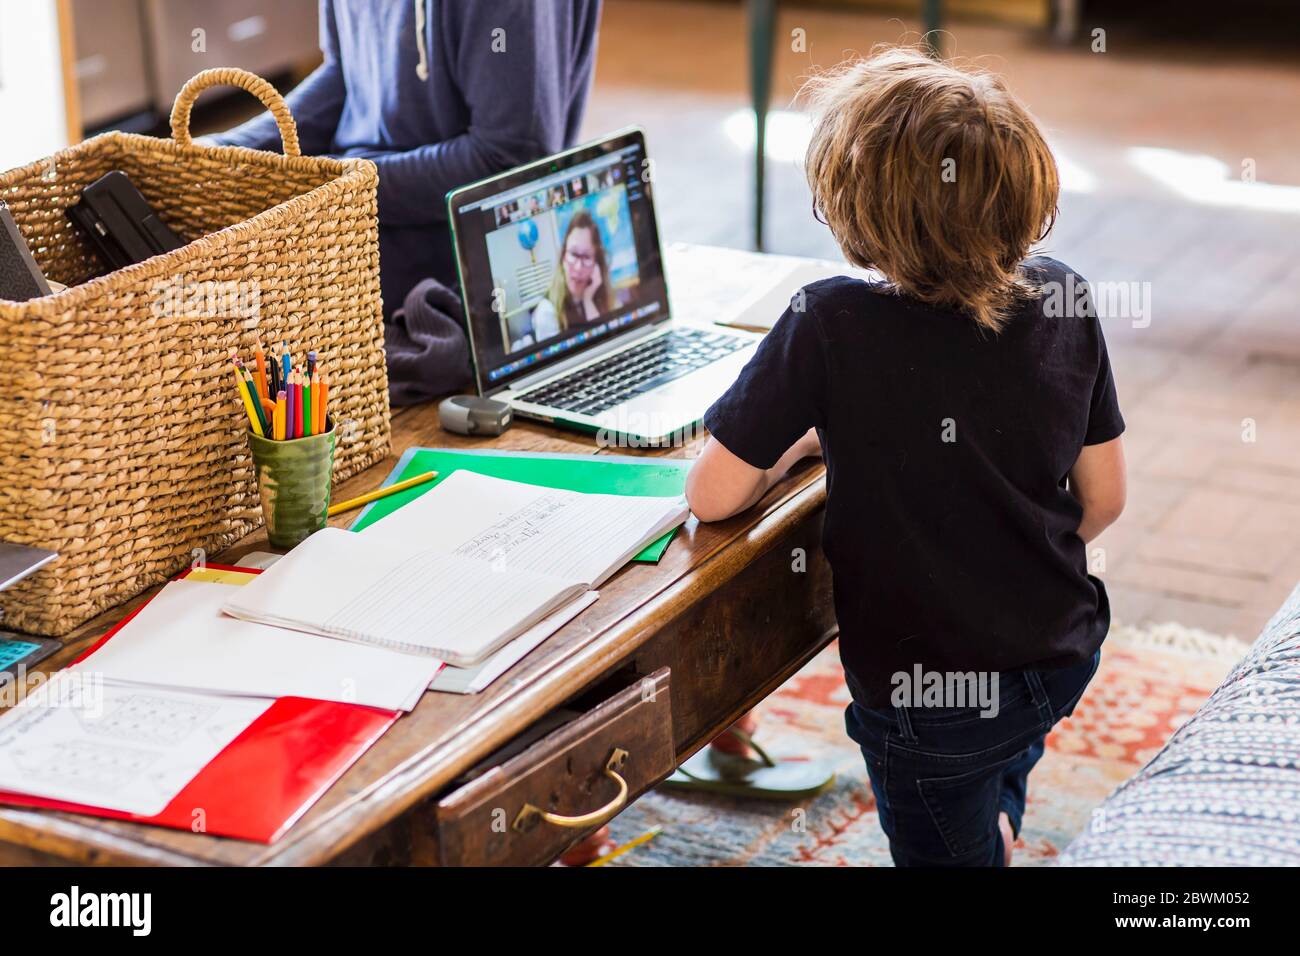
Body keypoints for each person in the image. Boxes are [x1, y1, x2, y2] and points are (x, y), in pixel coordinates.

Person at [684, 47, 1127, 867]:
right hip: (1063, 650)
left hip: (927, 710)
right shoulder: (1064, 292)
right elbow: (1103, 499)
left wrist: (794, 446)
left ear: (855, 208)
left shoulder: (826, 323)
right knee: (999, 753)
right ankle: (991, 812)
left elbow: (712, 496)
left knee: (946, 832)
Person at [210, 0, 602, 315]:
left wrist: (331, 188)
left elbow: (507, 163)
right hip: (362, 199)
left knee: (228, 299)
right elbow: (345, 76)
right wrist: (226, 152)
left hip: (459, 246)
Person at [530, 209, 613, 340]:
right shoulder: (547, 311)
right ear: (563, 256)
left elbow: (607, 343)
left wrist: (588, 300)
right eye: (573, 254)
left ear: (596, 263)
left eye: (586, 257)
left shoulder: (601, 296)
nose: (578, 267)